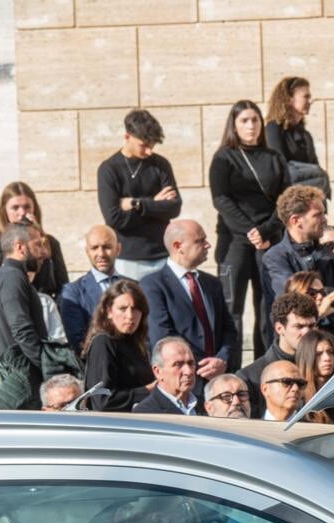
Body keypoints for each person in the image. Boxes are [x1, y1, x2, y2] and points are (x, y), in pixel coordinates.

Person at [209, 99, 284, 355]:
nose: (251, 126)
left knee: (268, 308)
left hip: (268, 239)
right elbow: (221, 199)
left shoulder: (274, 158)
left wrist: (266, 230)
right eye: (244, 121)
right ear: (234, 125)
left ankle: (268, 365)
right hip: (235, 241)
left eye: (255, 120)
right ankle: (229, 367)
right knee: (232, 309)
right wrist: (251, 231)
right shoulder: (224, 157)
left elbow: (286, 200)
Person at [262, 184, 334, 354]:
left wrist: (321, 309)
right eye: (317, 215)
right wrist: (324, 307)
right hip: (299, 354)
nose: (325, 220)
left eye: (324, 213)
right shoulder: (276, 258)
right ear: (296, 221)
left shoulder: (328, 255)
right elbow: (292, 308)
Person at [141, 219, 235, 383]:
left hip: (218, 378)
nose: (207, 245)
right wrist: (201, 366)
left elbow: (229, 329)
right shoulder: (153, 285)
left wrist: (222, 359)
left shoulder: (212, 283)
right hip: (181, 380)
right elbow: (162, 336)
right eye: (200, 241)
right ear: (178, 246)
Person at [97, 109, 182, 280]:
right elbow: (114, 219)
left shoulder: (161, 165)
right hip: (127, 259)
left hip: (163, 255)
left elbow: (173, 208)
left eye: (152, 146)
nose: (149, 151)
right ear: (127, 137)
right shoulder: (109, 169)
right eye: (143, 145)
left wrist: (137, 204)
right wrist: (155, 204)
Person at [0, 223, 52, 410]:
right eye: (37, 245)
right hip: (21, 387)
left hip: (20, 383)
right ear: (20, 247)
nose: (44, 253)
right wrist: (50, 369)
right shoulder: (12, 276)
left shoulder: (10, 276)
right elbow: (21, 329)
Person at [79, 277, 152, 412]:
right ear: (109, 312)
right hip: (112, 423)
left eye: (136, 309)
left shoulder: (138, 344)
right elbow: (102, 400)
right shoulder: (103, 343)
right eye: (122, 309)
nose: (130, 316)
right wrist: (148, 390)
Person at [239, 291, 317, 413]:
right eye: (299, 326)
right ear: (279, 328)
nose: (307, 333)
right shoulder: (250, 378)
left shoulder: (326, 366)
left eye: (311, 326)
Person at [0, 183, 68, 300]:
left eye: (27, 207)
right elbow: (5, 268)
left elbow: (63, 284)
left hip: (46, 302)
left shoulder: (51, 242)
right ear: (5, 210)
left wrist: (37, 234)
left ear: (34, 209)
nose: (22, 212)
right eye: (15, 208)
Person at [264, 76, 330, 197]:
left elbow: (315, 169)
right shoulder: (273, 129)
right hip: (285, 198)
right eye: (306, 97)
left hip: (307, 199)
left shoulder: (305, 136)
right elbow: (280, 169)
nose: (310, 101)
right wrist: (316, 174)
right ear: (289, 99)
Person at [59, 225, 120, 353]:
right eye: (94, 248)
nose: (101, 254)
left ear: (118, 249)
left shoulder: (135, 286)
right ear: (87, 251)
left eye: (107, 247)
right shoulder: (73, 292)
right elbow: (77, 340)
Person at [131, 337, 203, 416]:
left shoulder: (205, 406)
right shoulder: (146, 413)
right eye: (177, 364)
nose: (188, 371)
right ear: (158, 372)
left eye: (191, 363)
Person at [293, 330, 334, 425]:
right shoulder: (298, 398)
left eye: (330, 352)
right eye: (318, 354)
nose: (327, 358)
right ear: (307, 359)